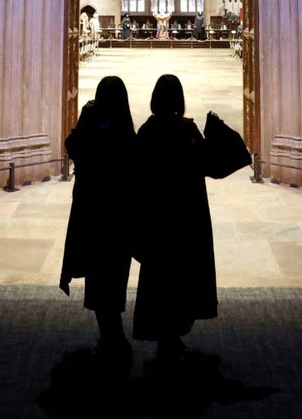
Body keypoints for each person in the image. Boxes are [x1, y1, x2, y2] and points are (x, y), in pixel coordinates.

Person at [133, 74, 219, 364]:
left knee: (159, 277)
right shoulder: (188, 130)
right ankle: (172, 337)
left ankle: (164, 337)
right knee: (183, 276)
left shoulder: (146, 131)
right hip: (185, 219)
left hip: (157, 219)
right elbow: (209, 161)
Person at [61, 76, 138, 364]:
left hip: (92, 213)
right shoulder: (125, 132)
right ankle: (112, 333)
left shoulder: (92, 124)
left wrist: (87, 119)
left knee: (98, 272)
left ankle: (110, 334)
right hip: (118, 217)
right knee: (115, 273)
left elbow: (73, 147)